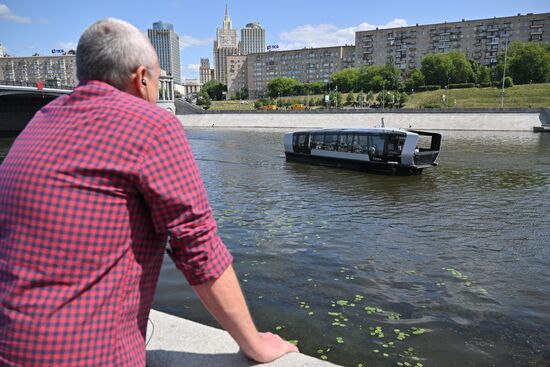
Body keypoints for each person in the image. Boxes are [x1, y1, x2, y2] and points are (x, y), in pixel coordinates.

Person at [0, 18, 298, 366]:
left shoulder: (40, 119)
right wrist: (255, 344)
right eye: (157, 81)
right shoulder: (151, 125)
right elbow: (198, 249)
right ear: (142, 78)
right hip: (85, 356)